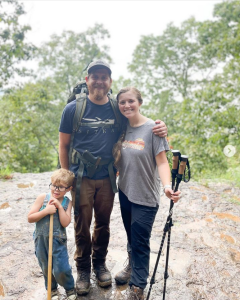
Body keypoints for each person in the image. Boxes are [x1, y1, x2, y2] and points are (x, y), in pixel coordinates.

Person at [58, 60, 168, 296]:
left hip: (107, 176)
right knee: (81, 224)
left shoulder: (117, 109)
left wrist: (160, 126)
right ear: (87, 80)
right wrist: (66, 177)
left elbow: (138, 121)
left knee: (103, 224)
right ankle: (83, 270)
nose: (99, 81)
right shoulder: (72, 109)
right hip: (82, 176)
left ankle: (99, 265)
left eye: (104, 77)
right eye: (94, 76)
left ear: (109, 82)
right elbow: (63, 145)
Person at [112, 87, 181, 300]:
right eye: (122, 102)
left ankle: (137, 286)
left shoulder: (153, 129)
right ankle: (132, 266)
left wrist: (167, 186)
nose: (126, 106)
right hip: (124, 192)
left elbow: (162, 161)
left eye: (131, 101)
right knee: (132, 237)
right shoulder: (121, 127)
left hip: (146, 197)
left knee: (141, 242)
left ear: (139, 102)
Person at [28, 168, 76, 300]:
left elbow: (65, 223)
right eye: (54, 185)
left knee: (61, 268)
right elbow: (30, 218)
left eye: (61, 187)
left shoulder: (67, 202)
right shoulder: (43, 198)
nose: (56, 189)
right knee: (45, 267)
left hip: (58, 241)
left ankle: (69, 288)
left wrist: (59, 208)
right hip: (41, 240)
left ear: (68, 189)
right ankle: (52, 289)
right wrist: (46, 211)